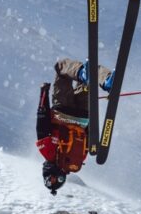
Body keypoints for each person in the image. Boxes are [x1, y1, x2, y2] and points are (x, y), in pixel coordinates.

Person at [36, 58, 113, 194]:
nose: (51, 179)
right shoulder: (47, 153)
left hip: (82, 117)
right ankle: (82, 73)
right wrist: (43, 94)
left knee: (89, 81)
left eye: (49, 181)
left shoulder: (76, 163)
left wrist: (89, 118)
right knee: (61, 68)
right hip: (62, 112)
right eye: (52, 181)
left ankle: (106, 81)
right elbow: (42, 123)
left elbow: (89, 138)